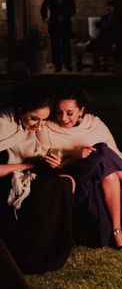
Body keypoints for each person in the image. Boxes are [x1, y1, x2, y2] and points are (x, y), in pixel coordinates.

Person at [39, 87, 122, 252]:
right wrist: (76, 156)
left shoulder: (94, 124)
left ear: (81, 110)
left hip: (101, 178)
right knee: (102, 152)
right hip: (74, 182)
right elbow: (51, 167)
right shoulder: (46, 128)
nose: (63, 118)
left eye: (70, 113)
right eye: (58, 112)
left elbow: (117, 157)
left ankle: (116, 229)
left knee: (106, 161)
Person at [0, 84, 73, 273]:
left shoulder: (26, 126)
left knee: (62, 183)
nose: (39, 126)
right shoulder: (2, 124)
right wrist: (25, 166)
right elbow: (22, 162)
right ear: (19, 110)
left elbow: (35, 152)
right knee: (49, 189)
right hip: (6, 178)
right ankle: (29, 255)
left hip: (25, 174)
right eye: (34, 119)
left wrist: (49, 160)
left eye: (43, 120)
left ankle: (50, 250)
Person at [40, 0, 75, 72]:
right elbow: (43, 7)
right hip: (54, 24)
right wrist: (45, 18)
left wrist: (64, 15)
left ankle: (68, 65)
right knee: (55, 46)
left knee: (66, 45)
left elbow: (73, 10)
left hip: (65, 24)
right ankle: (57, 65)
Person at [86, 0, 116, 72]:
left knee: (104, 46)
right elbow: (98, 25)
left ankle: (105, 66)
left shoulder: (117, 17)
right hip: (103, 36)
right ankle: (97, 66)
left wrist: (105, 25)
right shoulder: (105, 17)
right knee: (92, 45)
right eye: (108, 7)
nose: (109, 8)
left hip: (112, 37)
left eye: (111, 7)